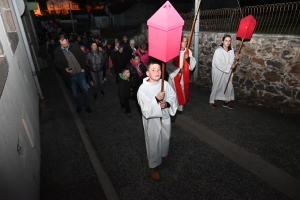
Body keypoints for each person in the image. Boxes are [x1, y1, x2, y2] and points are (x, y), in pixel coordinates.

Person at [137, 61, 178, 181]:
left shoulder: (164, 84)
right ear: (147, 73)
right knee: (153, 142)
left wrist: (166, 104)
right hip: (152, 121)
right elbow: (145, 109)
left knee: (165, 137)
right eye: (153, 70)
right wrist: (156, 99)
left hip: (164, 116)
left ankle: (163, 153)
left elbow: (172, 96)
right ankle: (153, 166)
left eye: (159, 69)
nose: (157, 72)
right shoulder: (142, 89)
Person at [54, 34, 92, 113]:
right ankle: (78, 106)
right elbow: (57, 64)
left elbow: (82, 57)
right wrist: (65, 69)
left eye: (65, 43)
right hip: (70, 76)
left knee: (85, 91)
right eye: (62, 44)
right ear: (59, 42)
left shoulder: (75, 46)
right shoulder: (57, 51)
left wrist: (83, 68)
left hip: (80, 73)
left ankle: (86, 106)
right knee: (74, 93)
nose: (64, 45)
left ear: (67, 40)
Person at [166, 36, 196, 112]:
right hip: (175, 75)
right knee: (174, 91)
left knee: (182, 91)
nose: (185, 43)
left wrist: (188, 58)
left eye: (186, 41)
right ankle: (172, 106)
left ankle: (180, 107)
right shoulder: (173, 51)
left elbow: (193, 64)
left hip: (184, 76)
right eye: (183, 41)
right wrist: (178, 70)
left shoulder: (188, 52)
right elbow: (168, 65)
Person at [209, 34, 239, 109]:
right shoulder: (218, 51)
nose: (228, 42)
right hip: (219, 71)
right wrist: (229, 66)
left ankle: (226, 101)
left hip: (228, 71)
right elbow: (218, 63)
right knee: (217, 85)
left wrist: (236, 59)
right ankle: (213, 100)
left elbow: (232, 61)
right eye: (226, 41)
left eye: (229, 41)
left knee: (228, 85)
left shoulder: (231, 50)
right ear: (222, 41)